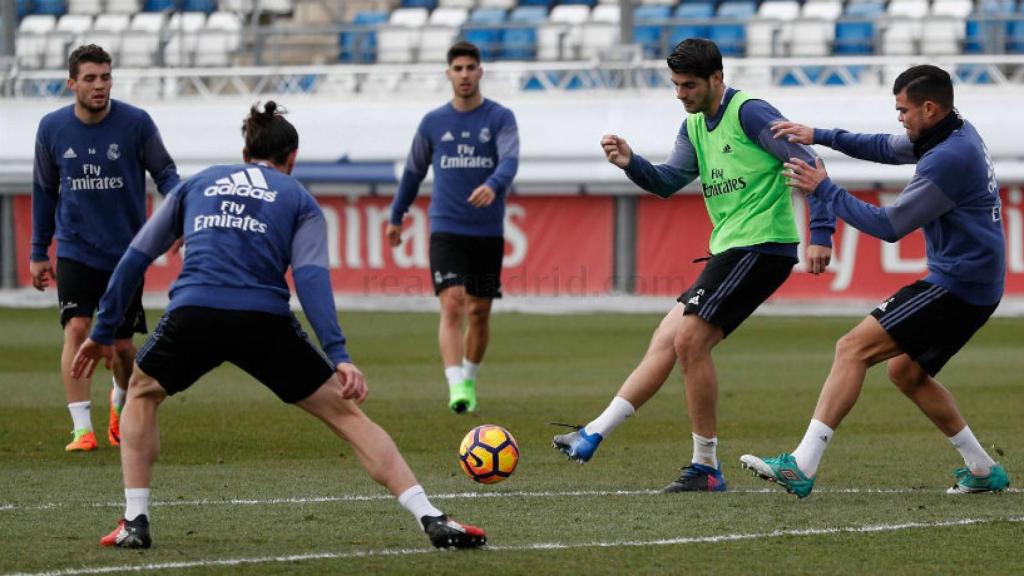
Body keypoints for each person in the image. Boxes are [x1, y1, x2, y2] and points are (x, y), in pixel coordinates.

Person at [72, 102, 487, 549]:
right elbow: (311, 280)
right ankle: (430, 516)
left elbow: (136, 256)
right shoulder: (298, 199)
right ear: (292, 157)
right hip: (262, 321)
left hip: (195, 311)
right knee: (347, 415)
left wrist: (103, 329)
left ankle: (135, 521)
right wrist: (340, 355)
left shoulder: (198, 184)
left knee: (141, 392)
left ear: (245, 150)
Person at [551, 38, 835, 493]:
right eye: (676, 85)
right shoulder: (694, 126)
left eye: (688, 85)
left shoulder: (750, 113)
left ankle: (705, 465)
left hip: (762, 246)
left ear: (716, 79)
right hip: (731, 248)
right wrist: (631, 163)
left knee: (689, 340)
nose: (679, 94)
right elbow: (667, 181)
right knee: (667, 338)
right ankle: (593, 433)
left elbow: (807, 159)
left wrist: (822, 232)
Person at [740, 65, 1010, 497]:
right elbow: (884, 147)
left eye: (903, 109)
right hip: (975, 281)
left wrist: (824, 188)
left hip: (958, 284)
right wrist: (819, 134)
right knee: (906, 373)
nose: (899, 117)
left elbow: (889, 225)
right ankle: (982, 469)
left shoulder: (949, 159)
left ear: (929, 107)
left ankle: (802, 465)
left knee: (852, 348)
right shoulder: (952, 132)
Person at [31, 44, 180, 452]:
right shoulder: (51, 128)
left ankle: (119, 403)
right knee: (77, 329)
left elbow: (165, 173)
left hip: (126, 253)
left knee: (120, 347)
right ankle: (82, 429)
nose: (100, 86)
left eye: (106, 77)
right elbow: (44, 190)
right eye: (91, 78)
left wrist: (183, 211)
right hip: (76, 248)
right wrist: (39, 250)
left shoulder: (135, 123)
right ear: (72, 83)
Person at [385, 41, 519, 414]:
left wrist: (492, 186)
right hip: (446, 228)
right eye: (457, 69)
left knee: (479, 312)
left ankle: (470, 376)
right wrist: (397, 216)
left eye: (469, 68)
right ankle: (455, 383)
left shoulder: (500, 118)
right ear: (449, 74)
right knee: (454, 304)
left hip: (487, 232)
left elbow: (510, 161)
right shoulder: (433, 123)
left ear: (480, 72)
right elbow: (413, 172)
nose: (464, 75)